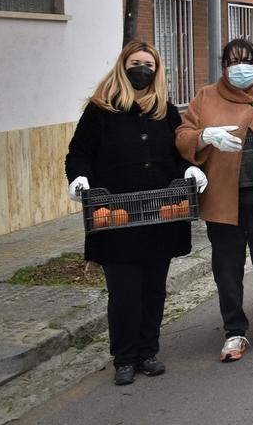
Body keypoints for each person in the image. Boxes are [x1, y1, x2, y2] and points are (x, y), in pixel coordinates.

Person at [65, 41, 207, 386]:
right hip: (116, 218)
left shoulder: (166, 111)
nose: (141, 68)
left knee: (154, 289)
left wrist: (190, 168)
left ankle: (148, 351)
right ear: (122, 66)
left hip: (159, 217)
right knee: (124, 291)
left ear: (157, 71)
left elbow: (179, 153)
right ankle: (124, 357)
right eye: (135, 62)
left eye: (148, 63)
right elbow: (78, 152)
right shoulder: (100, 111)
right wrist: (78, 177)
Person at [176, 39, 253, 362]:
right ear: (224, 66)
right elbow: (182, 136)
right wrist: (204, 136)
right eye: (233, 61)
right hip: (223, 201)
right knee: (227, 269)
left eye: (246, 60)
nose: (240, 67)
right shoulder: (205, 97)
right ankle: (234, 331)